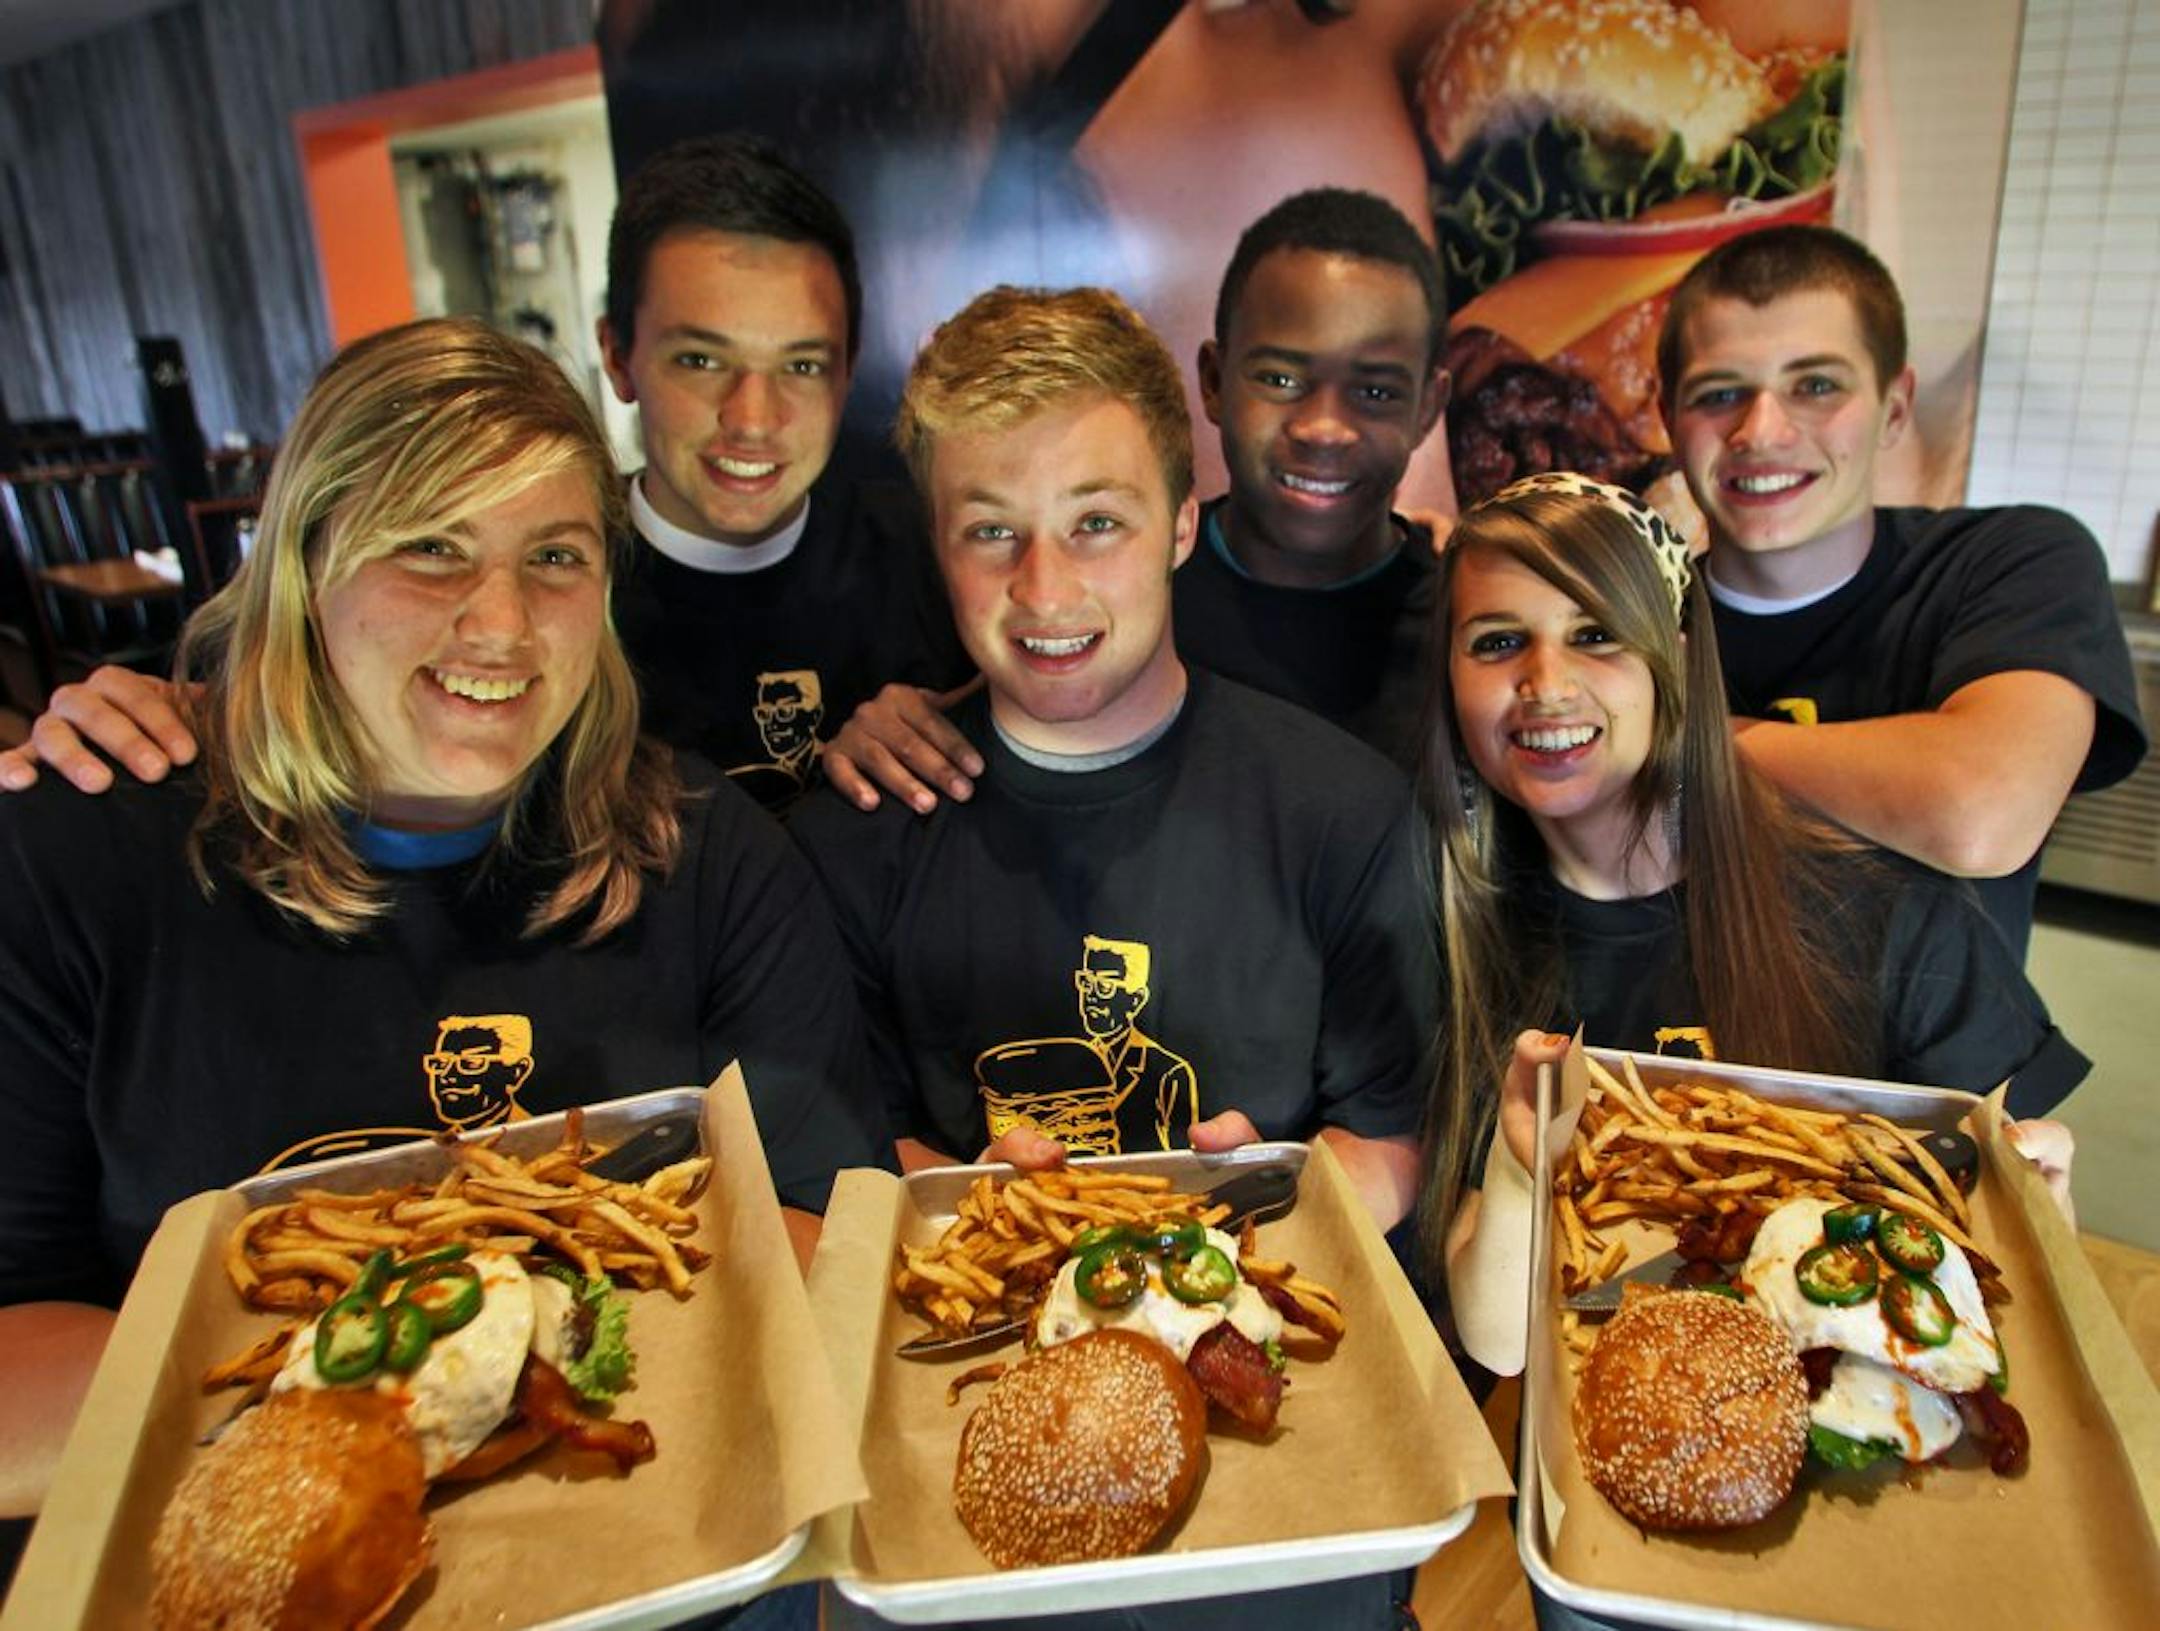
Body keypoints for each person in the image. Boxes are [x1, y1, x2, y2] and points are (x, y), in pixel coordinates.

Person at [0, 320, 887, 1523]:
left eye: (558, 558)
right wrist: (407, 1380)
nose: (502, 624)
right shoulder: (73, 860)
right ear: (308, 561)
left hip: (649, 1533)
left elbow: (822, 1235)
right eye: (430, 547)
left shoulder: (708, 855)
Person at [795, 283, 1430, 1631]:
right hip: (967, 1462)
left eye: (1096, 522)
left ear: (1182, 522)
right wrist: (994, 1213)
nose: (1044, 589)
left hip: (1281, 1480)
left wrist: (1268, 1196)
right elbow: (855, 1160)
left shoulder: (1343, 808)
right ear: (938, 546)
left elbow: (1394, 1137)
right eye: (991, 533)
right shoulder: (859, 836)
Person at [0, 135, 970, 814]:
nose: (753, 418)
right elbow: (247, 700)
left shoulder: (935, 556)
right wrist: (126, 723)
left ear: (847, 373)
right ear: (618, 356)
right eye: (700, 359)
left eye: (801, 365)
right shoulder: (526, 583)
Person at [1418, 474, 2087, 1383]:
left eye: (1596, 634)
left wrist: (2042, 1193)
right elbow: (1498, 1338)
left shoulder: (1884, 914)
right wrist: (1522, 1166)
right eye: (1498, 642)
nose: (1546, 683)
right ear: (1449, 678)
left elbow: (2024, 1274)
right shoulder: (1455, 931)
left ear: (1676, 657)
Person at [818, 185, 1451, 810]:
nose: (1322, 427)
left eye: (1374, 392)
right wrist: (896, 733)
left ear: (1429, 408)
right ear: (1212, 379)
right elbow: (963, 717)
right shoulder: (1096, 591)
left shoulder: (1472, 625)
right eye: (1281, 378)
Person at [1658, 224, 2146, 959]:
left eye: (1816, 385)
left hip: (1929, 1067)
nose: (1761, 431)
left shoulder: (2009, 562)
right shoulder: (1633, 613)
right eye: (1720, 393)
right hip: (1675, 1060)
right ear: (1669, 418)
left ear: (1894, 407)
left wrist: (1679, 736)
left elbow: (1980, 810)